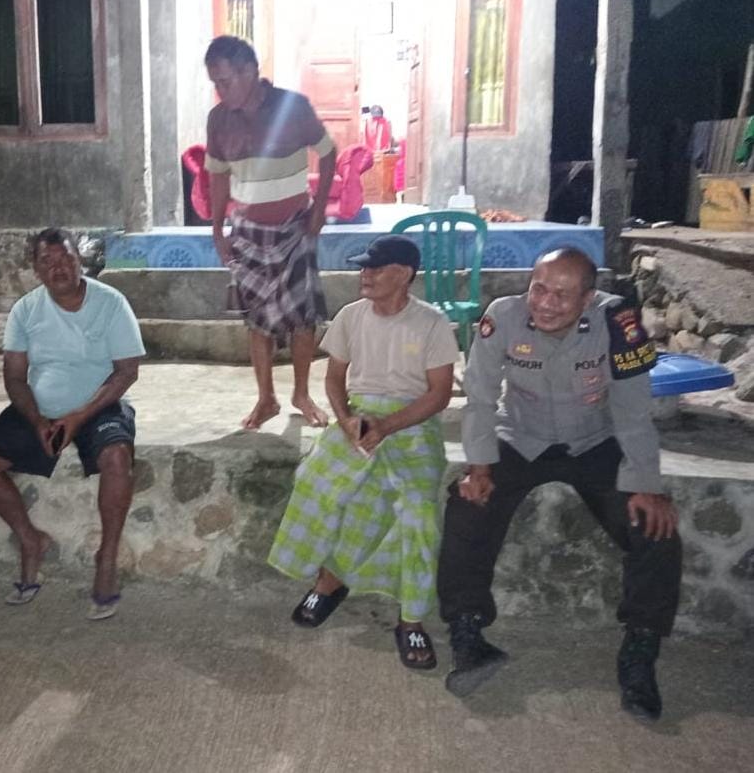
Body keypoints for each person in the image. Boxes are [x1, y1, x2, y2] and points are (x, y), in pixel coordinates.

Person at [437, 248, 682, 721]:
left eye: (562, 295)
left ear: (588, 298)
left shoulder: (617, 322)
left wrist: (646, 483)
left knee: (654, 527)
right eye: (539, 289)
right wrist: (479, 466)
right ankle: (467, 635)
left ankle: (640, 649)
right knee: (467, 504)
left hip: (594, 441)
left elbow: (632, 409)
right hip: (520, 438)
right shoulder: (502, 317)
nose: (546, 303)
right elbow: (481, 396)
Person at [267, 235, 459, 668]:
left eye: (375, 268)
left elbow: (439, 395)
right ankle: (329, 582)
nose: (365, 275)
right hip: (358, 417)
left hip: (412, 423)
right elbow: (335, 379)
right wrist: (347, 420)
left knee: (417, 512)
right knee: (318, 483)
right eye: (363, 267)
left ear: (404, 275)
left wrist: (387, 426)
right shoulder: (351, 316)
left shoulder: (431, 323)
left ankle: (411, 619)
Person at [0, 228, 145, 620]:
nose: (58, 268)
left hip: (99, 405)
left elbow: (127, 371)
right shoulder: (25, 310)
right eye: (46, 261)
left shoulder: (111, 303)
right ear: (35, 269)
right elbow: (15, 378)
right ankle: (31, 540)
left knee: (117, 457)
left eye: (66, 258)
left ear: (80, 261)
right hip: (41, 408)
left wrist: (79, 416)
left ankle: (107, 559)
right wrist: (36, 419)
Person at [204, 35, 336, 430]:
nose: (220, 90)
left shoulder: (292, 107)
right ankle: (266, 399)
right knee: (256, 319)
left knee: (303, 315)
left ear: (249, 71)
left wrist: (319, 211)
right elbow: (217, 176)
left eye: (225, 81)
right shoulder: (218, 119)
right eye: (214, 83)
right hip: (247, 232)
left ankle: (301, 393)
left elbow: (328, 152)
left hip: (295, 227)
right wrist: (217, 229)